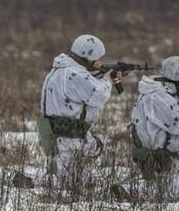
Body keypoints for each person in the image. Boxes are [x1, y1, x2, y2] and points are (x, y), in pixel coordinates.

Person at [119, 56, 179, 201]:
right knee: (170, 193)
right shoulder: (158, 97)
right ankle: (129, 189)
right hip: (156, 156)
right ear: (178, 80)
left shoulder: (165, 92)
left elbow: (178, 111)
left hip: (166, 153)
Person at [38, 34, 120, 179]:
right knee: (70, 184)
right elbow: (99, 95)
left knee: (58, 177)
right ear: (89, 56)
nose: (98, 62)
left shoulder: (60, 69)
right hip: (69, 136)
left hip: (54, 133)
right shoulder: (74, 73)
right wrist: (108, 79)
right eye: (96, 58)